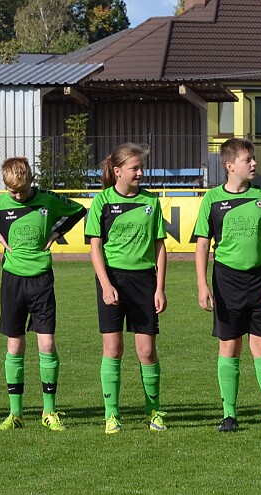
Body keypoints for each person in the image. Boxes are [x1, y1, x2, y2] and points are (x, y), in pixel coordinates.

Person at [0, 157, 85, 431]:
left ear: (30, 180)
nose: (16, 195)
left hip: (41, 280)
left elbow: (77, 212)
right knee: (15, 346)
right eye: (11, 191)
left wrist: (56, 232)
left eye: (21, 190)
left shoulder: (47, 201)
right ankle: (14, 414)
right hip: (12, 281)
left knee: (47, 344)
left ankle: (48, 412)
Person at [194, 138, 261, 432]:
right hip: (226, 281)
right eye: (248, 160)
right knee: (229, 346)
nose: (254, 164)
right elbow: (202, 245)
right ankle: (229, 415)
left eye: (254, 159)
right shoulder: (212, 199)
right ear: (230, 165)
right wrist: (202, 285)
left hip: (260, 281)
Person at [84, 143, 167, 434]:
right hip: (113, 280)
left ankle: (153, 411)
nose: (140, 173)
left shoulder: (151, 202)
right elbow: (95, 247)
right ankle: (111, 415)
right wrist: (106, 284)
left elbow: (160, 247)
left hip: (144, 281)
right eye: (135, 168)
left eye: (141, 168)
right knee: (113, 348)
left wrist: (160, 287)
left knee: (146, 350)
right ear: (118, 171)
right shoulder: (102, 202)